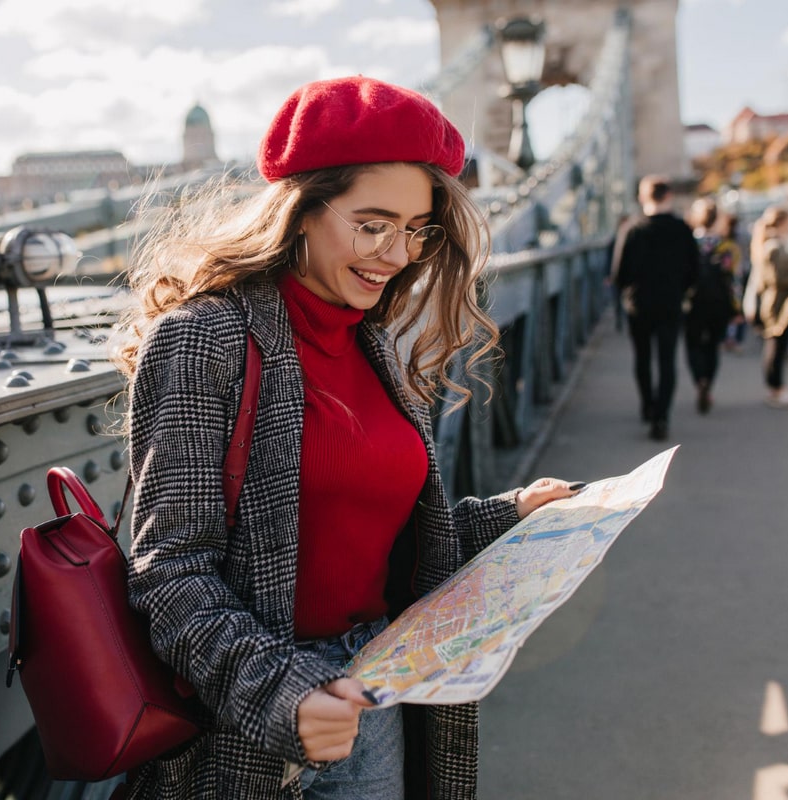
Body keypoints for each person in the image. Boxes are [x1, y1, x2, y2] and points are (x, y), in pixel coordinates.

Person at [111, 76, 580, 800]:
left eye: (417, 230)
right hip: (255, 723)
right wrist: (286, 694)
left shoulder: (378, 346)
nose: (398, 253)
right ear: (301, 211)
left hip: (375, 695)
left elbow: (371, 539)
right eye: (372, 224)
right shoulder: (207, 340)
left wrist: (513, 514)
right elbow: (169, 571)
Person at [611, 175, 699, 441]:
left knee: (642, 358)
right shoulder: (683, 229)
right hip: (671, 303)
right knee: (667, 360)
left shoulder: (632, 228)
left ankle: (648, 406)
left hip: (638, 305)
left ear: (642, 197)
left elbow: (618, 273)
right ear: (669, 196)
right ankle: (662, 417)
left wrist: (627, 294)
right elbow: (695, 270)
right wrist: (681, 291)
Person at [747, 205, 788, 407]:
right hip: (778, 305)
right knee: (776, 347)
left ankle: (775, 389)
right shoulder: (774, 246)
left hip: (775, 303)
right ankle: (776, 390)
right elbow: (777, 278)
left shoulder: (769, 243)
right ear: (783, 222)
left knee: (775, 346)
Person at [683, 197, 740, 414]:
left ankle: (699, 380)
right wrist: (736, 309)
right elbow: (735, 280)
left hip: (693, 302)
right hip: (720, 302)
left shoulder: (688, 244)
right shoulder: (728, 247)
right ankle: (708, 382)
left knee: (693, 345)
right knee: (713, 346)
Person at [716, 212, 747, 352]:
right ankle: (735, 340)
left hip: (725, 281)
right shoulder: (741, 240)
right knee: (738, 311)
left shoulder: (721, 241)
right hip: (737, 279)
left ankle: (725, 338)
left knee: (726, 310)